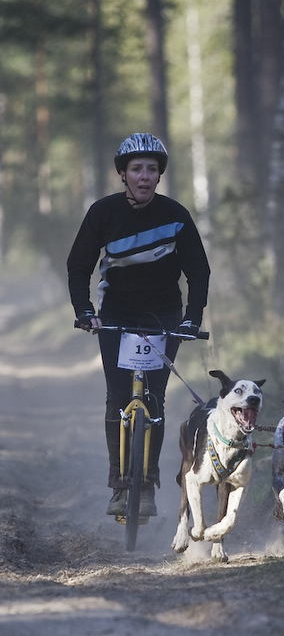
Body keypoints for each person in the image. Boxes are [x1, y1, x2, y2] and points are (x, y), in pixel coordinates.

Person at [67, 133, 210, 517]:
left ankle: (146, 486)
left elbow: (199, 271)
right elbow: (78, 264)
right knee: (118, 397)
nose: (144, 176)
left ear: (159, 176)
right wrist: (85, 310)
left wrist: (192, 318)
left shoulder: (176, 216)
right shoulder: (102, 213)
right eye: (136, 169)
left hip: (163, 318)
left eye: (151, 169)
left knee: (154, 401)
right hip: (115, 316)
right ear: (122, 174)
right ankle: (119, 485)